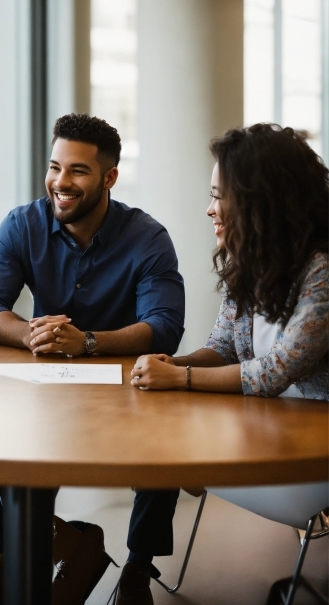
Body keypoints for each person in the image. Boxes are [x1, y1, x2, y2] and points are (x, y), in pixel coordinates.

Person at [0, 113, 185, 605]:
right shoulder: (22, 223)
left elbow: (164, 327)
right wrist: (33, 332)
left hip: (125, 390)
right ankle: (35, 545)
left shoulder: (147, 237)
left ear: (109, 177)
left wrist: (89, 343)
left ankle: (138, 572)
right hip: (45, 382)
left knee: (166, 437)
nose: (61, 182)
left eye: (77, 171)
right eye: (55, 167)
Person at [131, 123, 328, 400]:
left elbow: (277, 370)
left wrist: (179, 376)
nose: (210, 210)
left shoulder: (321, 271)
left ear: (260, 201)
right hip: (269, 426)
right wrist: (173, 364)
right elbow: (223, 348)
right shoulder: (248, 262)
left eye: (219, 196)